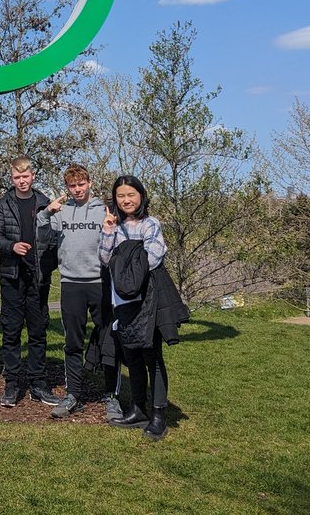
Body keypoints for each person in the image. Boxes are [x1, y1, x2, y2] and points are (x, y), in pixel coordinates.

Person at [99, 174, 188, 441]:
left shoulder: (151, 224)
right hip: (122, 302)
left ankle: (159, 414)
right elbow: (104, 259)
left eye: (131, 195)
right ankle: (138, 409)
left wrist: (125, 266)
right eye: (120, 196)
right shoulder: (113, 225)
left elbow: (154, 256)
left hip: (148, 301)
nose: (125, 200)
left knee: (152, 358)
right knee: (133, 357)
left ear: (141, 196)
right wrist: (107, 232)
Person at [46, 163, 120, 419]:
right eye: (72, 185)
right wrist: (46, 214)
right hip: (71, 284)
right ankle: (73, 395)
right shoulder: (61, 212)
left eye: (81, 184)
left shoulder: (103, 209)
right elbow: (41, 237)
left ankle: (111, 395)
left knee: (109, 339)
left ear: (89, 183)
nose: (77, 189)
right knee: (72, 342)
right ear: (66, 187)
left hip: (100, 282)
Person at [0, 155, 57, 407]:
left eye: (25, 176)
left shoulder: (44, 203)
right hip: (12, 275)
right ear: (12, 178)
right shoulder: (4, 203)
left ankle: (38, 383)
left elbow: (54, 235)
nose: (21, 181)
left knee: (38, 331)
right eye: (17, 177)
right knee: (11, 331)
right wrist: (11, 246)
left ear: (33, 176)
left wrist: (49, 261)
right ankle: (12, 384)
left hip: (38, 278)